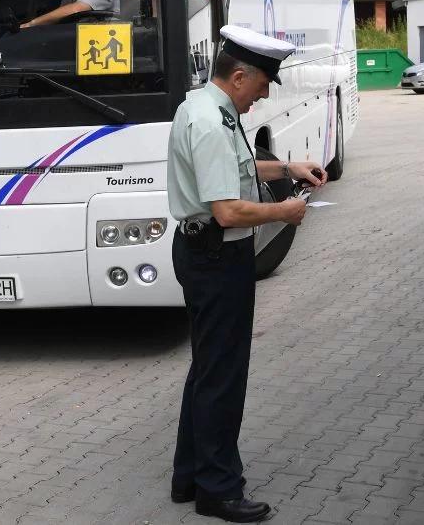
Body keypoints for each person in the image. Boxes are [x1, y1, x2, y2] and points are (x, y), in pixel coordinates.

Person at [166, 26, 328, 522]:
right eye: (260, 87)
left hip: (202, 255)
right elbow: (228, 211)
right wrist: (285, 213)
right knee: (223, 375)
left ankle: (189, 476)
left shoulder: (204, 106)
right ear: (239, 76)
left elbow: (238, 170)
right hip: (218, 258)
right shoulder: (213, 123)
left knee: (208, 367)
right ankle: (218, 488)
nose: (261, 97)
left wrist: (289, 168)